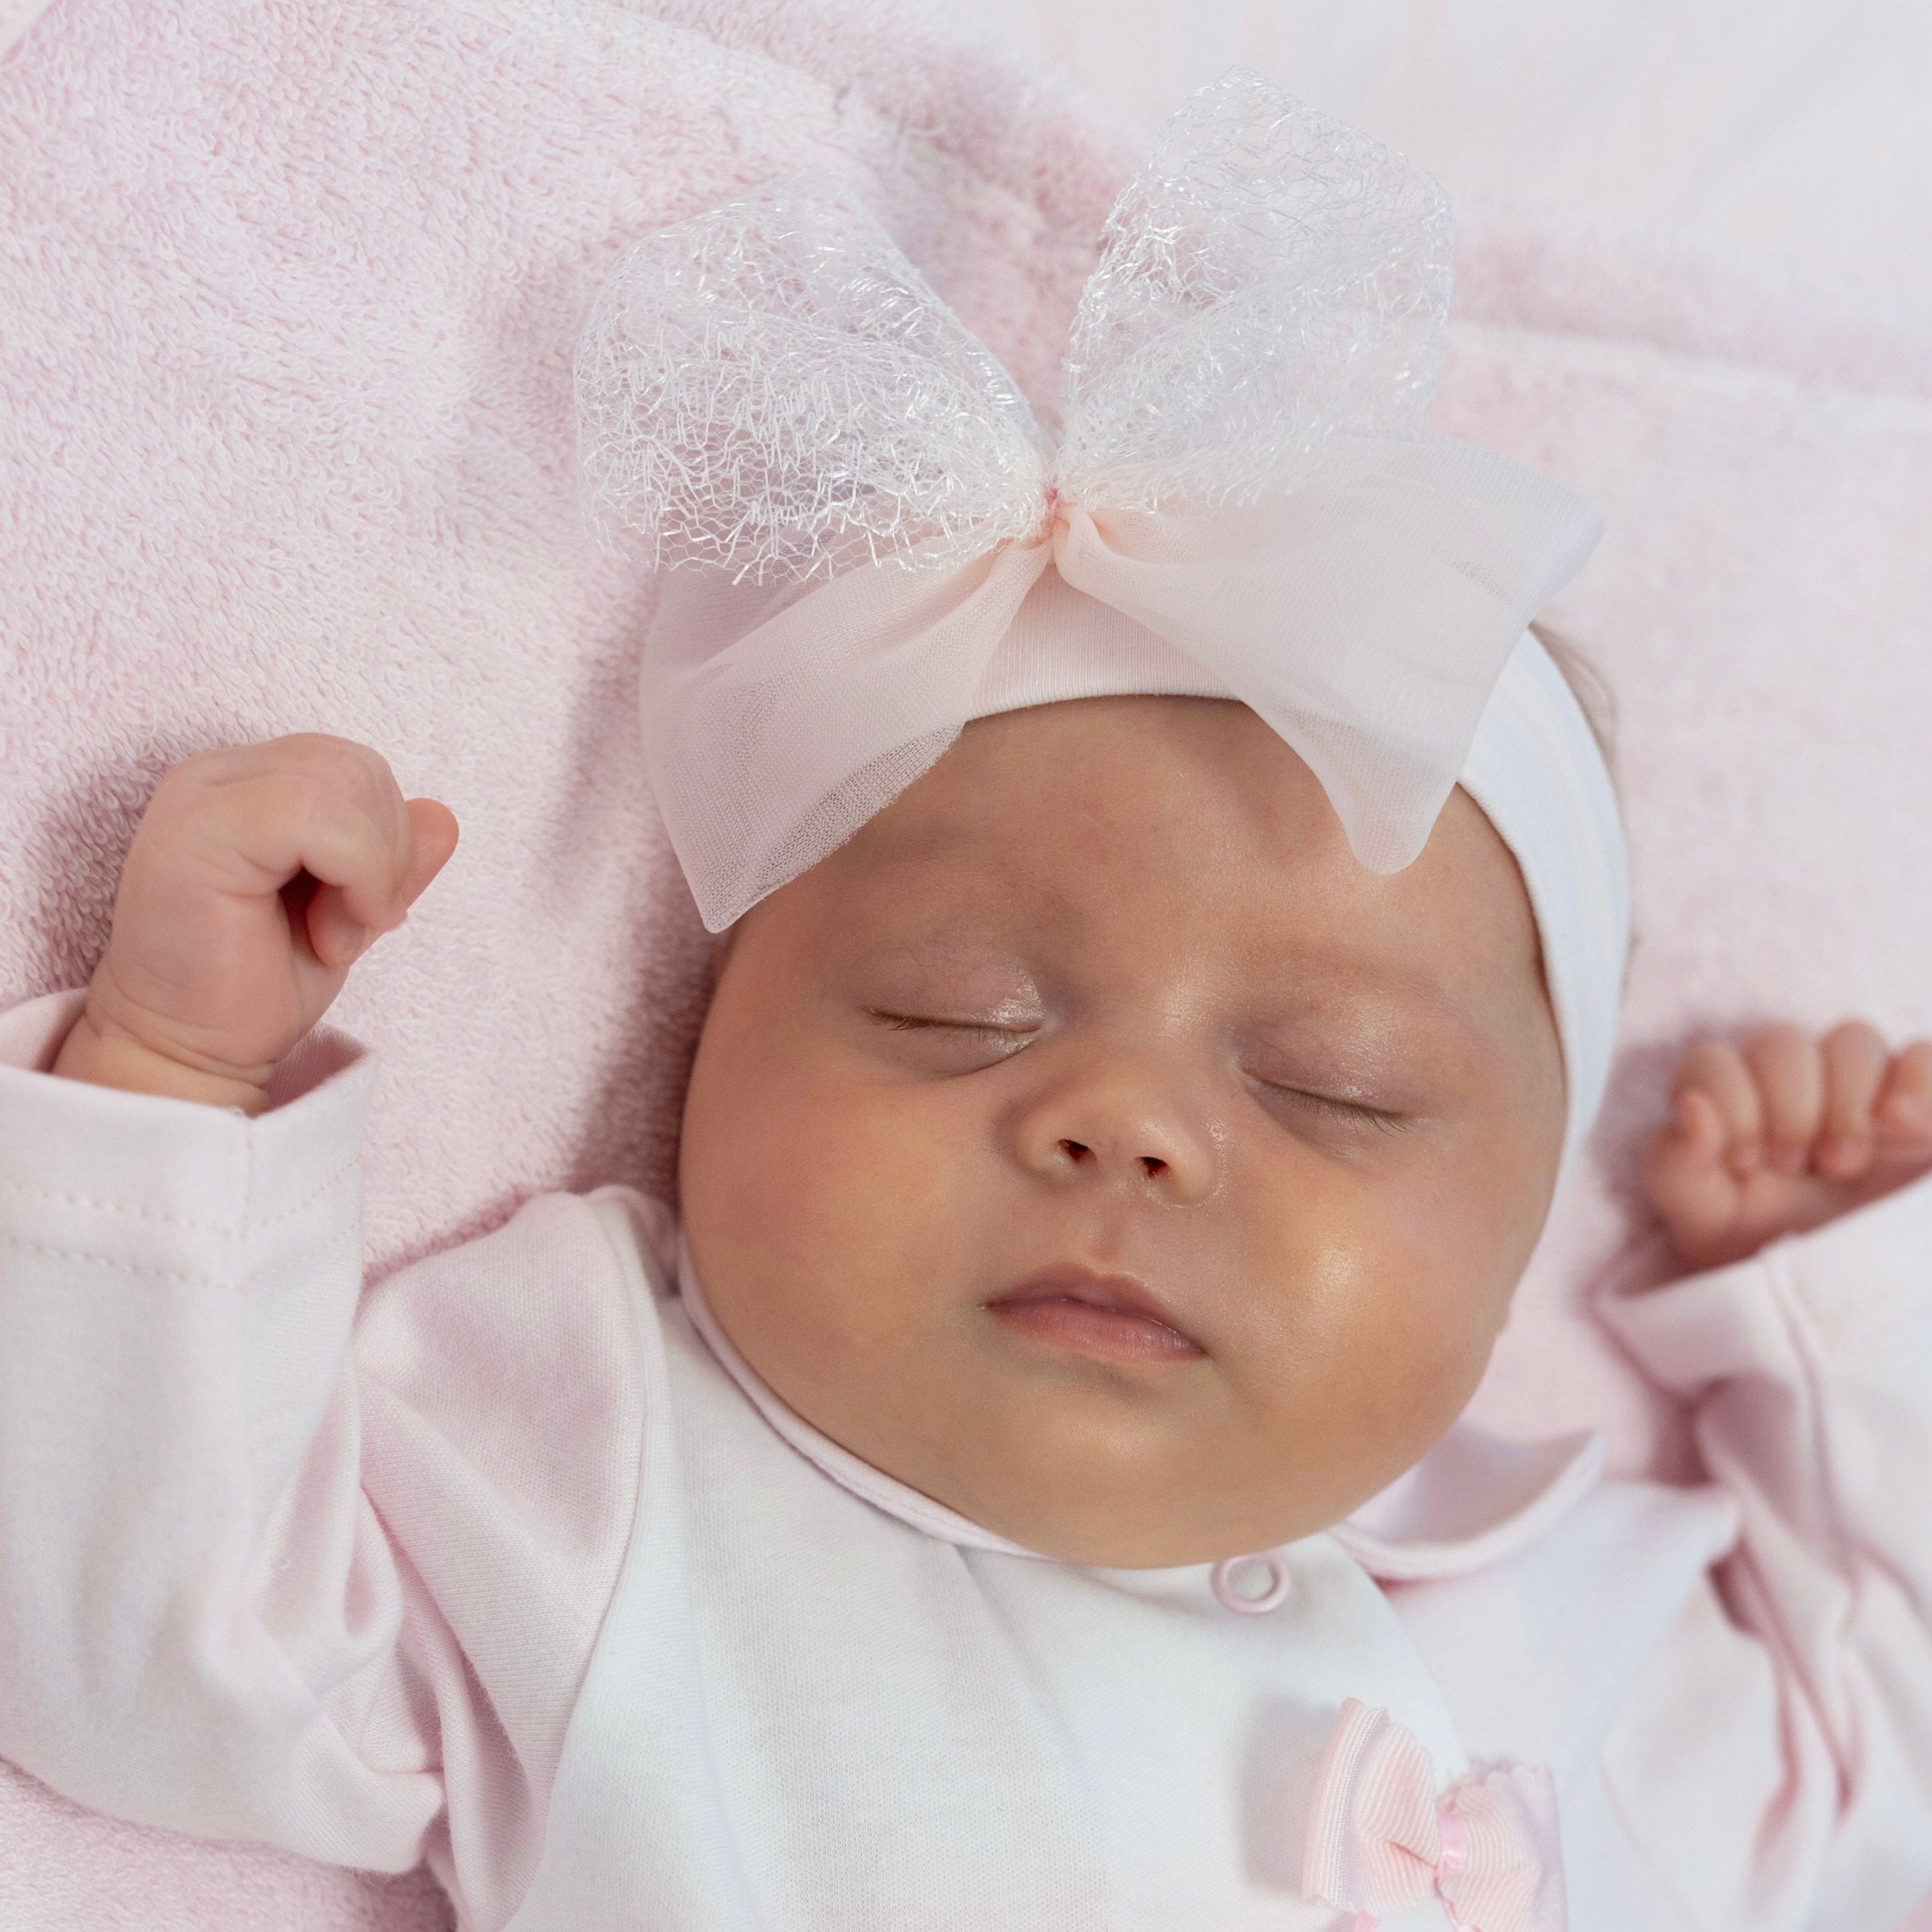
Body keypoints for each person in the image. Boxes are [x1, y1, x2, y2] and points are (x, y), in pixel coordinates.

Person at [3, 72, 1930, 1932]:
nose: (1129, 1122)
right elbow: (161, 1661)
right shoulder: (610, 1462)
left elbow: (1886, 1770)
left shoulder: (1580, 1619)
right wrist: (167, 1084)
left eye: (1334, 1086)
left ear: (1519, 1221)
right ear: (713, 1040)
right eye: (957, 1011)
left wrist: (1834, 1312)